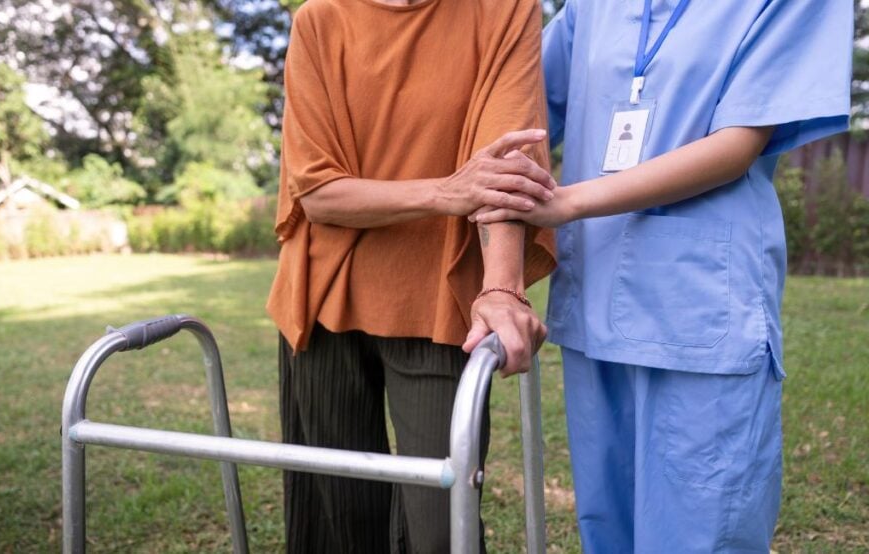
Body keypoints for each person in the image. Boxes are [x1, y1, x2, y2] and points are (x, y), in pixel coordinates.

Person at [470, 0, 853, 551]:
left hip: (700, 309)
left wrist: (567, 201)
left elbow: (736, 146)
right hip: (595, 306)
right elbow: (519, 101)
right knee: (609, 528)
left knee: (702, 533)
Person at [266, 0, 556, 551]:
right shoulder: (320, 19)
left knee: (442, 527)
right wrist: (448, 190)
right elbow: (319, 192)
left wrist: (499, 287)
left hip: (439, 299)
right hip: (322, 298)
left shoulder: (504, 11)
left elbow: (508, 169)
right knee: (337, 520)